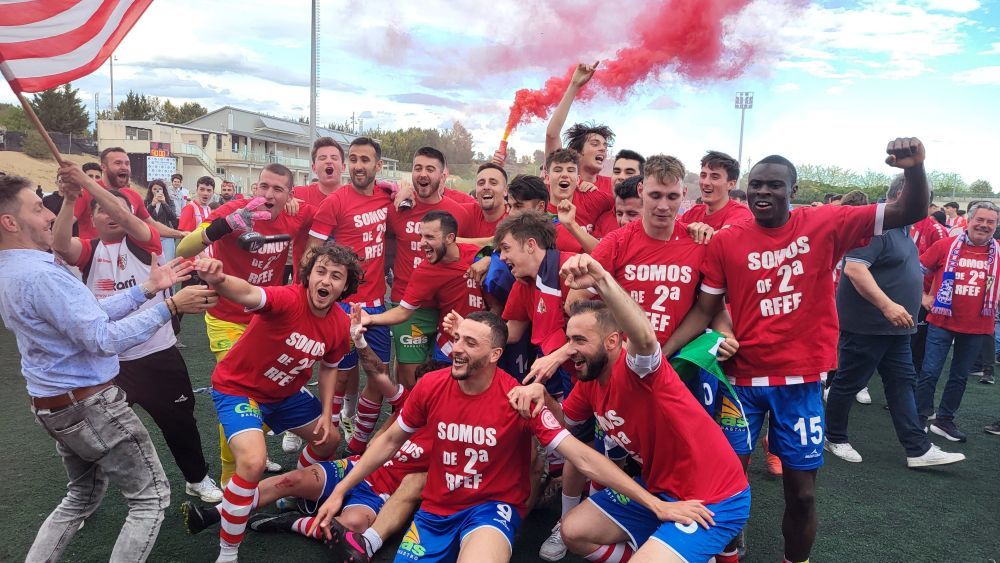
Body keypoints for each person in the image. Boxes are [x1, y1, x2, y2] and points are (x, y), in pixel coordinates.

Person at [663, 138, 931, 563]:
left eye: (774, 185)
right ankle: (728, 555)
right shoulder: (726, 241)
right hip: (741, 382)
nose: (763, 193)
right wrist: (663, 353)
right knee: (724, 485)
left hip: (801, 383)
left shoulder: (827, 222)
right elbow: (705, 309)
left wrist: (915, 169)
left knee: (802, 495)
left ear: (794, 189)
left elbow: (910, 210)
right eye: (756, 185)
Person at [313, 310, 709, 563]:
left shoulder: (519, 398)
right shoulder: (431, 386)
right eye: (457, 340)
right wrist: (339, 489)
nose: (458, 350)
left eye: (471, 343)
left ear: (496, 355)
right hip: (436, 510)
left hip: (491, 511)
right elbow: (387, 442)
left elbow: (583, 457)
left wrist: (655, 505)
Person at [0, 174, 216, 562]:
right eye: (37, 207)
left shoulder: (15, 269)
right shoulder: (43, 274)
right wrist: (170, 306)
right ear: (9, 222)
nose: (49, 214)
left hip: (54, 403)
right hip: (87, 405)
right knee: (150, 500)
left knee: (79, 497)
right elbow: (103, 338)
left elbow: (89, 316)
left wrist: (147, 289)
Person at [511, 254, 749, 563]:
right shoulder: (589, 383)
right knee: (574, 532)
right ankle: (666, 549)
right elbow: (566, 425)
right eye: (568, 340)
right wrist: (540, 393)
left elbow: (645, 336)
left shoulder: (640, 370)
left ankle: (695, 549)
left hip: (713, 496)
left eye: (580, 340)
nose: (570, 350)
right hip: (657, 489)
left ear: (612, 342)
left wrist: (601, 279)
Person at [52, 162, 224, 503]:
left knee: (180, 423)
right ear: (93, 217)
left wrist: (88, 182)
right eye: (100, 209)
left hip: (158, 355)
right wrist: (72, 199)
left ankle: (197, 478)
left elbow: (129, 218)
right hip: (109, 362)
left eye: (119, 209)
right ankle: (84, 495)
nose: (110, 215)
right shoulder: (88, 250)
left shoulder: (145, 243)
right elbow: (59, 243)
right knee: (94, 433)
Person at [192, 246, 359, 562]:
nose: (326, 280)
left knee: (330, 439)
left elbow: (329, 367)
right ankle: (228, 553)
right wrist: (221, 279)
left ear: (345, 286)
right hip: (239, 389)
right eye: (320, 272)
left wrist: (326, 414)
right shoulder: (288, 299)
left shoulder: (339, 323)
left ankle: (294, 485)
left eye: (336, 276)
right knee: (254, 462)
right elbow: (250, 294)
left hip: (286, 395)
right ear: (308, 276)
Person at [177, 164, 317, 484]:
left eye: (278, 189)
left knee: (267, 393)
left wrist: (392, 192)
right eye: (263, 187)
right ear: (254, 188)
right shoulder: (234, 209)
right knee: (239, 393)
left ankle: (250, 450)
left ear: (289, 195)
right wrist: (224, 225)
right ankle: (230, 477)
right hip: (226, 318)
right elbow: (186, 247)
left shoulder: (296, 213)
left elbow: (332, 205)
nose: (268, 195)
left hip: (266, 318)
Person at [824, 175, 965, 468]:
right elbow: (855, 269)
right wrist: (888, 306)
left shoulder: (900, 229)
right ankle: (833, 437)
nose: (925, 207)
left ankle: (918, 449)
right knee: (848, 382)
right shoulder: (877, 227)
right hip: (870, 326)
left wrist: (919, 299)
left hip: (895, 329)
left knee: (902, 383)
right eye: (921, 199)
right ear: (903, 194)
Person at [308, 137, 395, 442]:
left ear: (378, 166)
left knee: (379, 373)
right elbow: (312, 252)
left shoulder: (387, 197)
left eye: (365, 160)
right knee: (340, 375)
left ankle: (357, 443)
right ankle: (326, 436)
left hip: (376, 306)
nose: (359, 166)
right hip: (344, 306)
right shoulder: (336, 201)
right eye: (354, 159)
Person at [385, 147, 471, 389]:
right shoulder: (397, 207)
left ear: (443, 176)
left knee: (446, 378)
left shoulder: (459, 211)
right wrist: (396, 189)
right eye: (418, 168)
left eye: (430, 169)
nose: (423, 174)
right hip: (409, 306)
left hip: (449, 308)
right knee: (411, 381)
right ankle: (404, 416)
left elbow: (474, 246)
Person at [916, 200, 1000, 442]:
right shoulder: (946, 245)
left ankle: (944, 420)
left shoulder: (998, 253)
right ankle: (921, 418)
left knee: (960, 376)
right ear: (970, 220)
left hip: (976, 325)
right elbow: (916, 269)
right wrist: (923, 296)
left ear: (996, 225)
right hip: (941, 321)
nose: (984, 225)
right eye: (980, 220)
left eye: (990, 222)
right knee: (930, 372)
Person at [73, 148, 185, 240]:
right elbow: (65, 225)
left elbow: (151, 224)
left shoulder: (133, 195)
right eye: (118, 163)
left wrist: (181, 234)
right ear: (103, 167)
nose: (124, 167)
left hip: (125, 261)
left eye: (127, 163)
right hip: (93, 260)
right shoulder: (86, 192)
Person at [545, 62, 614, 194]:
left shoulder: (612, 186)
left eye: (605, 146)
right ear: (577, 152)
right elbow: (551, 135)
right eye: (595, 144)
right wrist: (574, 85)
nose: (603, 149)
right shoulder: (562, 181)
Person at [545, 148, 614, 253]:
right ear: (547, 178)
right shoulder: (538, 205)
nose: (564, 175)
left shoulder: (592, 198)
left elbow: (622, 204)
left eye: (570, 170)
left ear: (578, 179)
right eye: (558, 170)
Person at [681, 151, 751, 230]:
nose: (705, 182)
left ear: (731, 184)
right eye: (703, 175)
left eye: (715, 177)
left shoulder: (740, 214)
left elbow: (728, 236)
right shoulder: (692, 214)